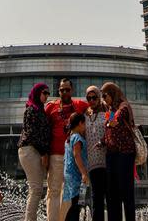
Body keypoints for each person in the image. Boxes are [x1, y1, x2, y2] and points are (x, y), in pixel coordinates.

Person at [45, 78, 89, 221]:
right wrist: (44, 154)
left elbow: (95, 107)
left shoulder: (79, 105)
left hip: (72, 158)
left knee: (69, 194)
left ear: (72, 90)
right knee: (53, 192)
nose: (64, 92)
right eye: (62, 89)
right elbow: (43, 130)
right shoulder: (51, 107)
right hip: (55, 156)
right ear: (58, 91)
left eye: (67, 89)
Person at [101, 81, 136, 221]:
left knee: (126, 191)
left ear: (113, 93)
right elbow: (108, 130)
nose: (103, 99)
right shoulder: (110, 110)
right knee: (112, 193)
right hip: (112, 154)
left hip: (125, 153)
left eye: (105, 95)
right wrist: (101, 142)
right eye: (102, 96)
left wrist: (111, 120)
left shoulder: (123, 106)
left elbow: (117, 120)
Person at [18, 82, 52, 221]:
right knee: (36, 189)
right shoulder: (31, 109)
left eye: (48, 93)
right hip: (30, 150)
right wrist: (44, 153)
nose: (47, 96)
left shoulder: (39, 109)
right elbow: (31, 134)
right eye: (44, 93)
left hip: (34, 150)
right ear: (37, 93)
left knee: (36, 189)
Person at [85, 85, 107, 221]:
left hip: (107, 161)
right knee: (96, 198)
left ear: (99, 98)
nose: (91, 100)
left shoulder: (107, 112)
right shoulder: (85, 115)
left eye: (94, 97)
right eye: (89, 98)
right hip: (92, 163)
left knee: (110, 196)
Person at [61, 112, 89, 221]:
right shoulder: (77, 137)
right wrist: (83, 173)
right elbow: (77, 155)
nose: (85, 127)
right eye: (84, 124)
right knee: (76, 204)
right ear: (80, 123)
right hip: (76, 175)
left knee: (76, 203)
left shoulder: (69, 137)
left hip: (69, 174)